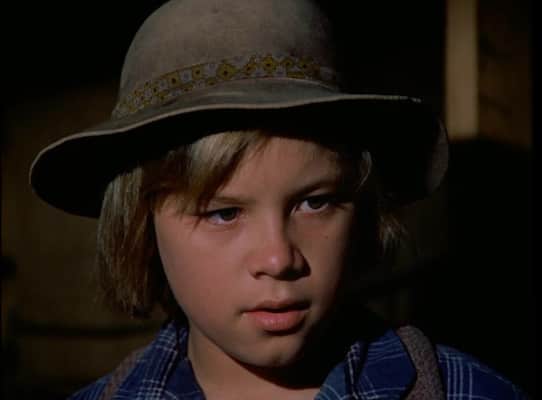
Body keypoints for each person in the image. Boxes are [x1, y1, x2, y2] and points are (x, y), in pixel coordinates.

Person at [29, 0, 529, 399]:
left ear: (363, 207)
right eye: (224, 213)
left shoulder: (470, 392)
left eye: (315, 203)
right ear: (141, 226)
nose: (278, 258)